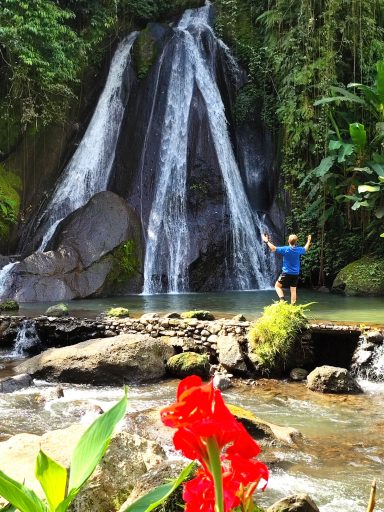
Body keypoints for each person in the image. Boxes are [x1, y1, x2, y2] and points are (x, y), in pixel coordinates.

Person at [262, 233, 311, 304]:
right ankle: (293, 307)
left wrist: (266, 241)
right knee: (293, 290)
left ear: (288, 241)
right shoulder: (299, 250)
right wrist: (309, 240)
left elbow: (273, 248)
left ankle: (282, 300)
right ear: (296, 241)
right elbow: (305, 248)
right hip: (295, 273)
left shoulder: (285, 249)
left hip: (286, 273)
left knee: (277, 286)